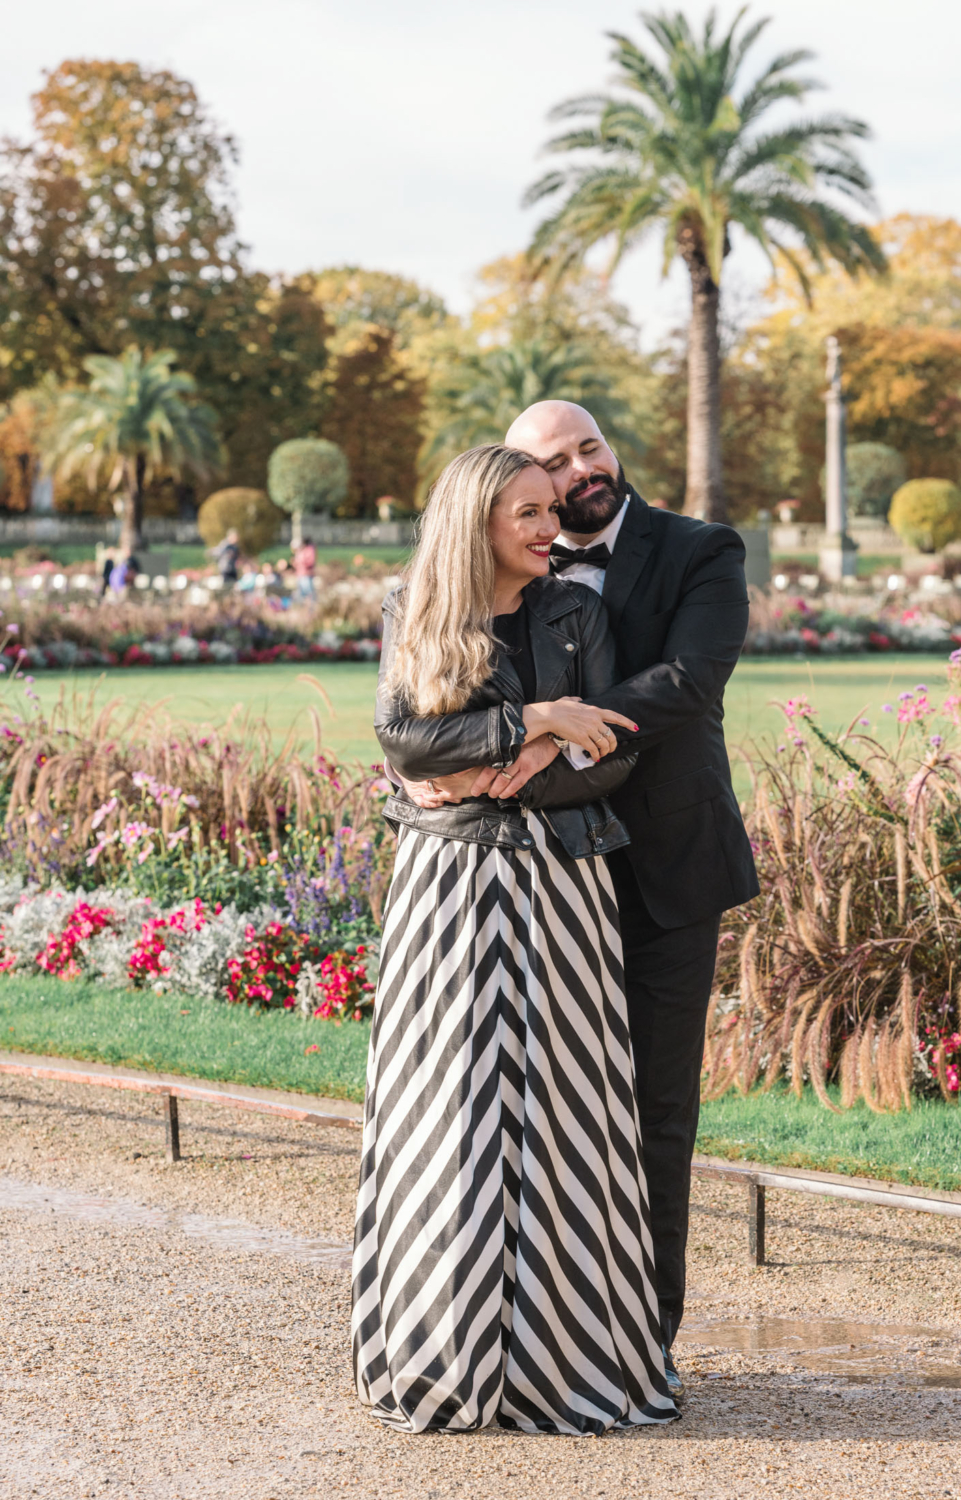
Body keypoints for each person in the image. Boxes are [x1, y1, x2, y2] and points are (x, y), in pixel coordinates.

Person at [400, 402, 759, 1400]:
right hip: (543, 873)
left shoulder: (698, 547)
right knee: (542, 1116)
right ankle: (538, 1340)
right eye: (553, 463)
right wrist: (476, 750)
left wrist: (546, 735)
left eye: (589, 446)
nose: (578, 469)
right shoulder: (513, 565)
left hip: (667, 869)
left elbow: (688, 682)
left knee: (653, 1115)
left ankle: (644, 1344)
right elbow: (422, 713)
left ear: (612, 450)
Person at [352, 443, 677, 1436]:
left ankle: (563, 1362)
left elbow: (608, 760)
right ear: (473, 525)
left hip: (561, 885)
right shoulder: (413, 612)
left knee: (567, 1117)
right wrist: (536, 721)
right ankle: (437, 1352)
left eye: (550, 508)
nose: (550, 527)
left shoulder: (576, 612)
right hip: (447, 894)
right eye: (526, 513)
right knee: (441, 1114)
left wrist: (512, 763)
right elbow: (406, 740)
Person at [293, 536, 317, 601]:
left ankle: (309, 607)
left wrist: (302, 562)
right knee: (302, 593)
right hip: (301, 574)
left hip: (306, 574)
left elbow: (310, 562)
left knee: (308, 593)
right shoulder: (303, 550)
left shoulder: (309, 550)